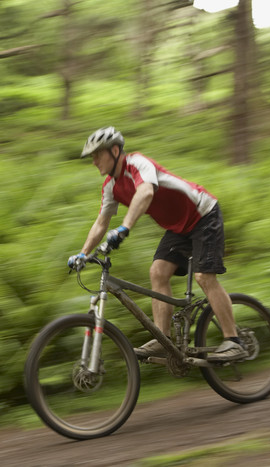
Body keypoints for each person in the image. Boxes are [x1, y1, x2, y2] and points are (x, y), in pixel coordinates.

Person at [67, 126, 246, 362]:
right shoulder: (110, 187)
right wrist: (83, 254)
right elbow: (101, 222)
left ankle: (233, 341)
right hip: (178, 228)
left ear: (115, 150)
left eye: (97, 154)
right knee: (158, 272)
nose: (94, 161)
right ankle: (165, 339)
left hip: (203, 214)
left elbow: (146, 192)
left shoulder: (137, 163)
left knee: (204, 276)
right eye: (92, 156)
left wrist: (125, 228)